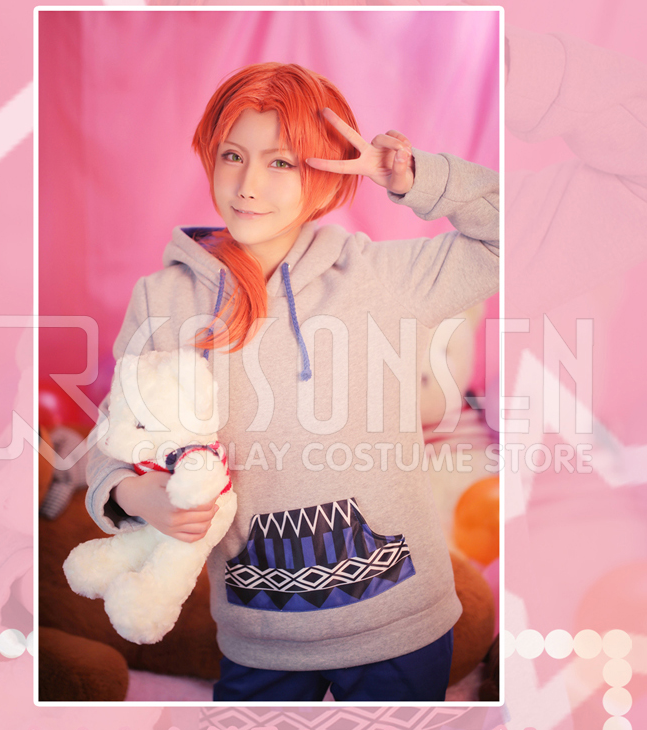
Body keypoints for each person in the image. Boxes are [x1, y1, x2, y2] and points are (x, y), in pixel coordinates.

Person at [85, 62, 499, 701]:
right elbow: (111, 445)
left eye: (281, 162)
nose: (248, 185)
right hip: (259, 636)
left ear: (325, 175)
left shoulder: (381, 278)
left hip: (400, 627)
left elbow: (517, 234)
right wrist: (142, 498)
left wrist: (416, 179)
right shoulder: (162, 299)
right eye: (232, 155)